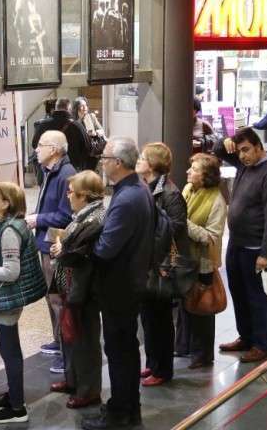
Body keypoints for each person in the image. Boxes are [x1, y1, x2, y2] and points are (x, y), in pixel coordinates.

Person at [82, 137, 154, 429]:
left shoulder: (127, 198)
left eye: (105, 158)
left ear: (119, 163)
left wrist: (88, 239)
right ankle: (127, 407)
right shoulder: (137, 190)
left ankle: (120, 413)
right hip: (130, 280)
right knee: (124, 348)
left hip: (120, 285)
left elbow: (105, 249)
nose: (102, 161)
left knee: (119, 350)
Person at [0, 182, 47, 424]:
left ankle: (17, 407)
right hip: (10, 296)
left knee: (10, 352)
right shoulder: (10, 225)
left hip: (8, 297)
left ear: (6, 204)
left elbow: (10, 272)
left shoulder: (8, 231)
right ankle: (13, 395)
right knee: (10, 351)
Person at [216, 127, 267, 363]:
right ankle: (245, 337)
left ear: (259, 146)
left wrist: (266, 253)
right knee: (239, 294)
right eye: (239, 151)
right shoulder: (245, 166)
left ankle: (261, 344)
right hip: (237, 243)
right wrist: (225, 142)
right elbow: (217, 150)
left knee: (260, 298)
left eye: (246, 149)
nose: (242, 155)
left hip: (256, 248)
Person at [49, 171, 106, 409]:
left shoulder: (95, 219)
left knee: (86, 339)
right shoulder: (83, 215)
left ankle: (88, 390)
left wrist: (62, 249)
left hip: (85, 288)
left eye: (71, 192)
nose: (67, 196)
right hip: (71, 285)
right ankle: (73, 379)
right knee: (69, 336)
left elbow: (76, 252)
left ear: (84, 195)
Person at [135, 142, 189, 386]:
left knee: (160, 319)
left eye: (142, 157)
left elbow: (176, 228)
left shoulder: (170, 193)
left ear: (153, 164)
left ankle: (163, 369)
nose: (138, 161)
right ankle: (152, 363)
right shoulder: (146, 187)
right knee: (148, 317)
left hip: (162, 264)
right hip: (148, 262)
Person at [26, 130, 76, 372]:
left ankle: (67, 349)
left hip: (55, 245)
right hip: (46, 243)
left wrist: (38, 219)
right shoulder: (49, 171)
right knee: (51, 296)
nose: (36, 149)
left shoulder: (66, 175)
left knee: (58, 298)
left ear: (55, 149)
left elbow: (66, 215)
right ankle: (58, 341)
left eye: (41, 145)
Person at [176, 153, 226, 368]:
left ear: (206, 176)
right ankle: (184, 346)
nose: (188, 172)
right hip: (185, 259)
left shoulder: (217, 201)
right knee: (185, 305)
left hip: (204, 262)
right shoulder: (188, 190)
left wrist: (183, 224)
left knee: (202, 308)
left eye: (194, 169)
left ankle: (203, 355)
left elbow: (211, 237)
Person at [31, 98, 94, 171]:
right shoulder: (77, 126)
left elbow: (34, 144)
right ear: (69, 109)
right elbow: (88, 148)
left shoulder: (43, 125)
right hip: (73, 169)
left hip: (50, 170)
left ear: (55, 108)